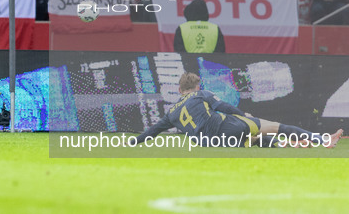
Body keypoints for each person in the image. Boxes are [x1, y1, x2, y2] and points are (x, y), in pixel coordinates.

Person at [131, 72, 344, 148]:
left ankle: (291, 146)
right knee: (276, 127)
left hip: (210, 144)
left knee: (253, 138)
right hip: (225, 128)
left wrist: (134, 141)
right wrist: (244, 116)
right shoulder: (201, 94)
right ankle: (323, 140)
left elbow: (153, 131)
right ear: (196, 87)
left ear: (179, 90)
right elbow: (223, 106)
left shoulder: (171, 114)